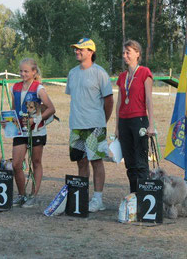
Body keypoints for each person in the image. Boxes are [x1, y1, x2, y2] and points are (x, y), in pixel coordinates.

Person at [66, 38, 113, 212]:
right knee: (81, 161)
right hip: (76, 126)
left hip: (95, 126)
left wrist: (102, 121)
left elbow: (109, 100)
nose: (77, 52)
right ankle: (82, 196)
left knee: (96, 161)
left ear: (91, 52)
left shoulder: (100, 73)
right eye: (76, 49)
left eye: (81, 49)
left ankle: (98, 199)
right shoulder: (72, 73)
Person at [10, 58, 55, 208]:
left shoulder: (38, 88)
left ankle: (33, 195)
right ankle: (21, 195)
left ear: (34, 72)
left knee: (36, 162)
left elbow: (51, 108)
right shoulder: (15, 87)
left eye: (26, 71)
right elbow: (13, 109)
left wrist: (36, 119)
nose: (23, 73)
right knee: (16, 164)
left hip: (37, 131)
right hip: (20, 131)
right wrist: (7, 120)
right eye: (21, 71)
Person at [115, 40, 155, 193]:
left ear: (137, 53)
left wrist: (151, 125)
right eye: (124, 53)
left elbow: (149, 100)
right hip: (124, 122)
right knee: (130, 163)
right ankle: (134, 196)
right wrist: (117, 127)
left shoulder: (145, 72)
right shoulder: (122, 76)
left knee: (141, 162)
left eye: (128, 52)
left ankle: (144, 197)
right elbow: (119, 103)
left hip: (139, 120)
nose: (125, 56)